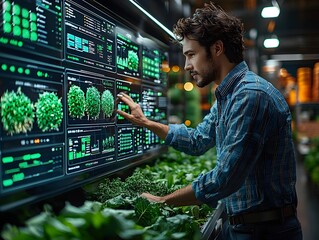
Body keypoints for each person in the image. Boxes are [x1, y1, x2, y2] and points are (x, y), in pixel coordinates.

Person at [116, 2, 302, 239]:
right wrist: (147, 123)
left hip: (265, 231)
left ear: (217, 48)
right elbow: (198, 140)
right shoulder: (228, 95)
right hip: (241, 226)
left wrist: (163, 201)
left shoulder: (251, 96)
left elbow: (225, 178)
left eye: (191, 54)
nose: (186, 66)